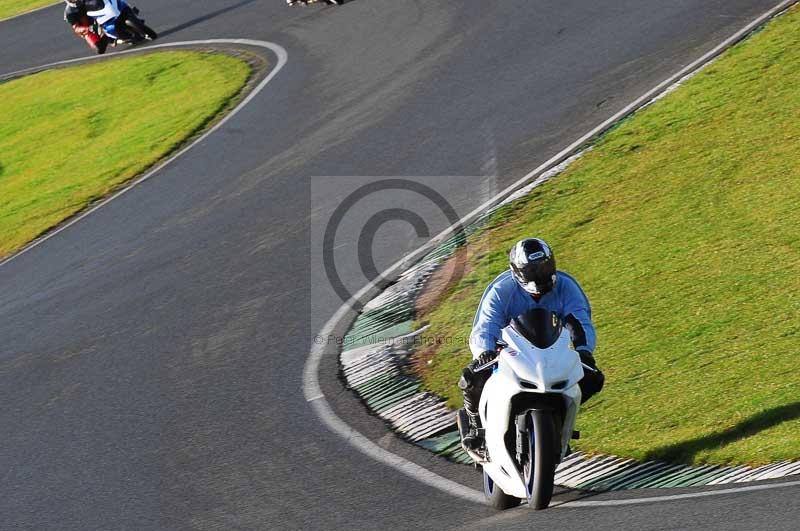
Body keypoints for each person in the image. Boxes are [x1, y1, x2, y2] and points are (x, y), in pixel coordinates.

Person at [459, 237, 605, 450]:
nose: (539, 277)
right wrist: (484, 352)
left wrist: (584, 351)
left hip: (552, 350)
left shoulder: (566, 287)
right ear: (516, 271)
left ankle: (559, 423)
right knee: (472, 377)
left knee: (593, 378)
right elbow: (486, 325)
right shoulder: (501, 290)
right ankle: (476, 426)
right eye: (531, 271)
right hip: (509, 351)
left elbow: (579, 321)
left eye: (544, 268)